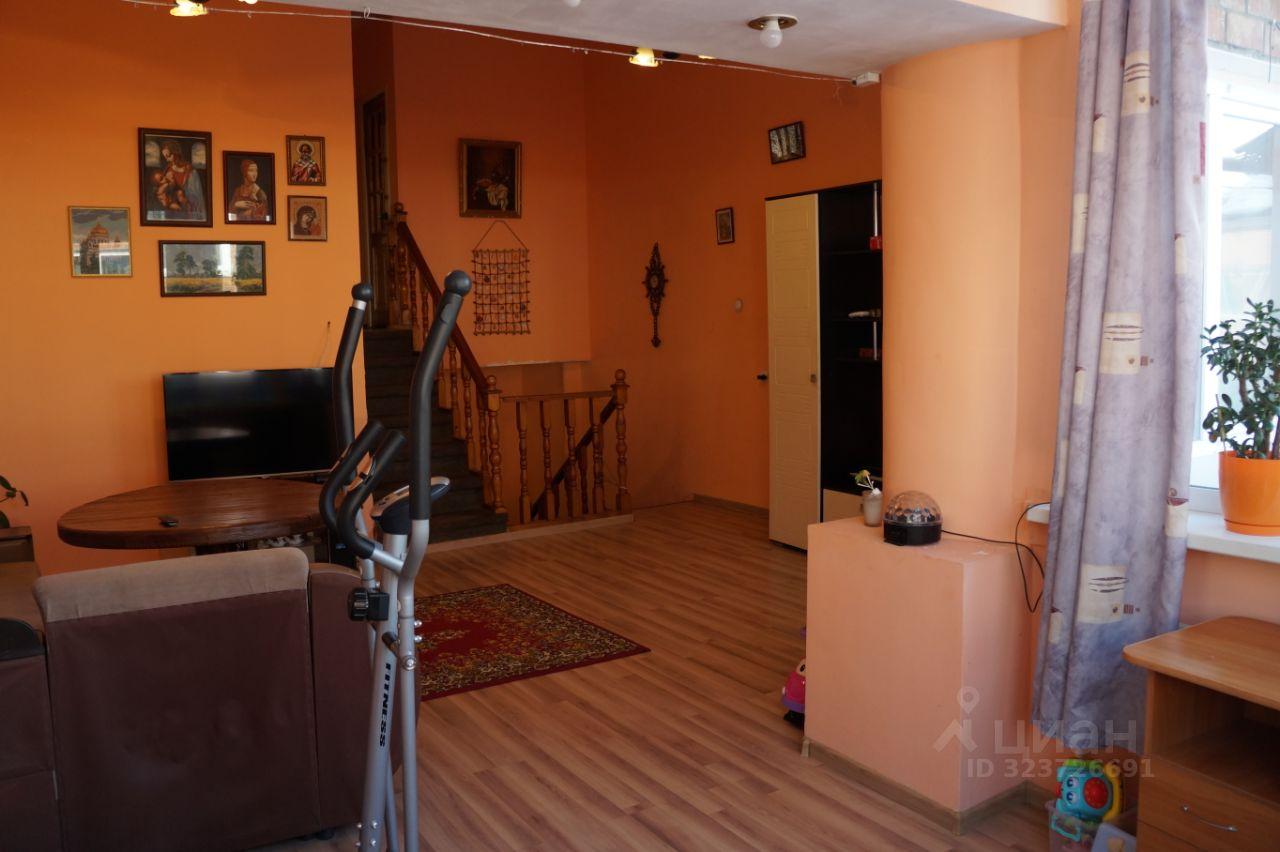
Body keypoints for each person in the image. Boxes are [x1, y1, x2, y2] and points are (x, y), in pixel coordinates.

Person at [154, 139, 206, 220]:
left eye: (169, 156)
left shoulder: (191, 172)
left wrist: (184, 198)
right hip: (173, 212)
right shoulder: (168, 170)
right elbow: (163, 191)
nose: (167, 160)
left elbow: (196, 196)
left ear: (176, 153)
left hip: (189, 212)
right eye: (165, 157)